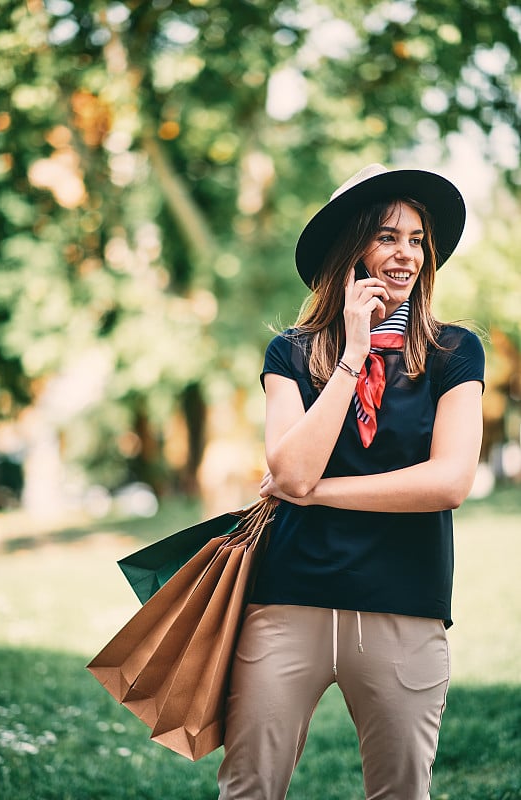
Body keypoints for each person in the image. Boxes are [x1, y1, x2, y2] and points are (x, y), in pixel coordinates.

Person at [217, 164, 485, 800]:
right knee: (249, 789)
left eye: (418, 239)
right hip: (288, 600)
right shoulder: (289, 352)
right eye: (389, 236)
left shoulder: (455, 352)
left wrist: (315, 493)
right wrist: (352, 354)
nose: (407, 254)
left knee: (400, 792)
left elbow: (448, 482)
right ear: (352, 247)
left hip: (405, 603)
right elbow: (291, 467)